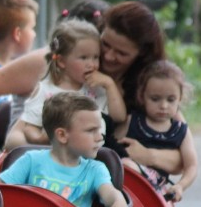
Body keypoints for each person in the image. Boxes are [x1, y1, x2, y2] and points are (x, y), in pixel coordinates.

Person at [0, 1, 180, 178]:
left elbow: (181, 153)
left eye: (121, 53)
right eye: (105, 45)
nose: (108, 57)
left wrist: (146, 155)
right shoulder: (55, 63)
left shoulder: (152, 84)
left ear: (141, 55)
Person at [0, 92, 130, 207]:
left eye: (99, 130)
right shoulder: (31, 161)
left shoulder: (95, 169)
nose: (100, 137)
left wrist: (118, 202)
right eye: (91, 130)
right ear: (62, 135)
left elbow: (110, 193)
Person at [12, 18, 126, 149]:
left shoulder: (94, 88)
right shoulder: (46, 90)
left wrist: (110, 85)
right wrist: (40, 139)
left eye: (96, 57)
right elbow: (30, 127)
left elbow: (119, 116)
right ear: (61, 61)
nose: (92, 64)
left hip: (92, 157)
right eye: (84, 57)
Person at [115, 60, 198, 202]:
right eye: (155, 99)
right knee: (125, 164)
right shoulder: (133, 121)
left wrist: (180, 186)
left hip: (157, 191)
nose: (163, 105)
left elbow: (192, 165)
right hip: (127, 189)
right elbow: (110, 147)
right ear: (142, 96)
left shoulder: (180, 130)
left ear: (180, 98)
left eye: (171, 99)